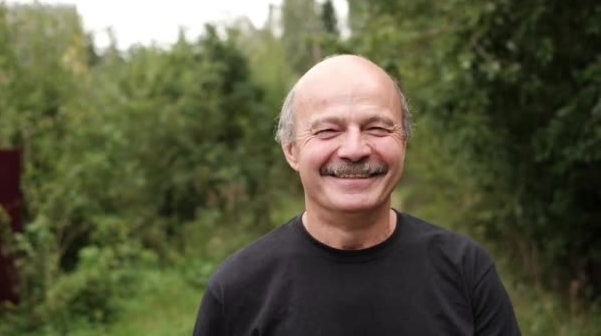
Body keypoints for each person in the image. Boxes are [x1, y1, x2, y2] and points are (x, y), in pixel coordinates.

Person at [192, 54, 521, 335]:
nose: (354, 150)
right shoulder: (236, 290)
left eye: (377, 128)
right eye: (327, 131)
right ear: (291, 150)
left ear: (403, 141)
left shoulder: (465, 272)